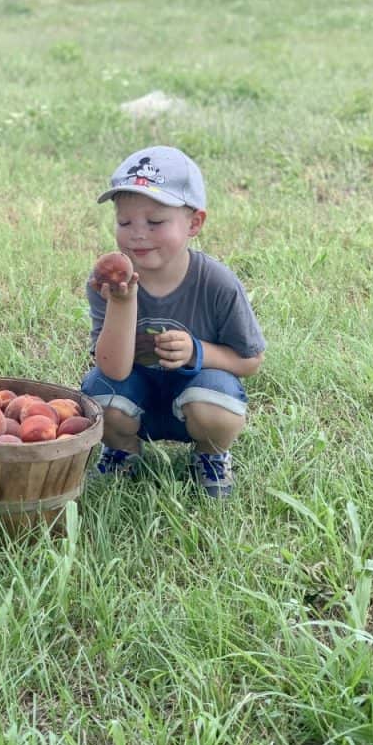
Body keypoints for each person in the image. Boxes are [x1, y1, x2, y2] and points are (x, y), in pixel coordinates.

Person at [81, 146, 265, 498]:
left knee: (216, 402)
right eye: (125, 222)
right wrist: (122, 303)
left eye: (155, 222)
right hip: (135, 391)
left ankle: (210, 455)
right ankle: (122, 450)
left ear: (194, 223)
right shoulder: (111, 278)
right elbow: (111, 369)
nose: (137, 233)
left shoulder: (216, 283)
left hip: (197, 392)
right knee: (98, 396)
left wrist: (197, 351)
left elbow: (251, 360)